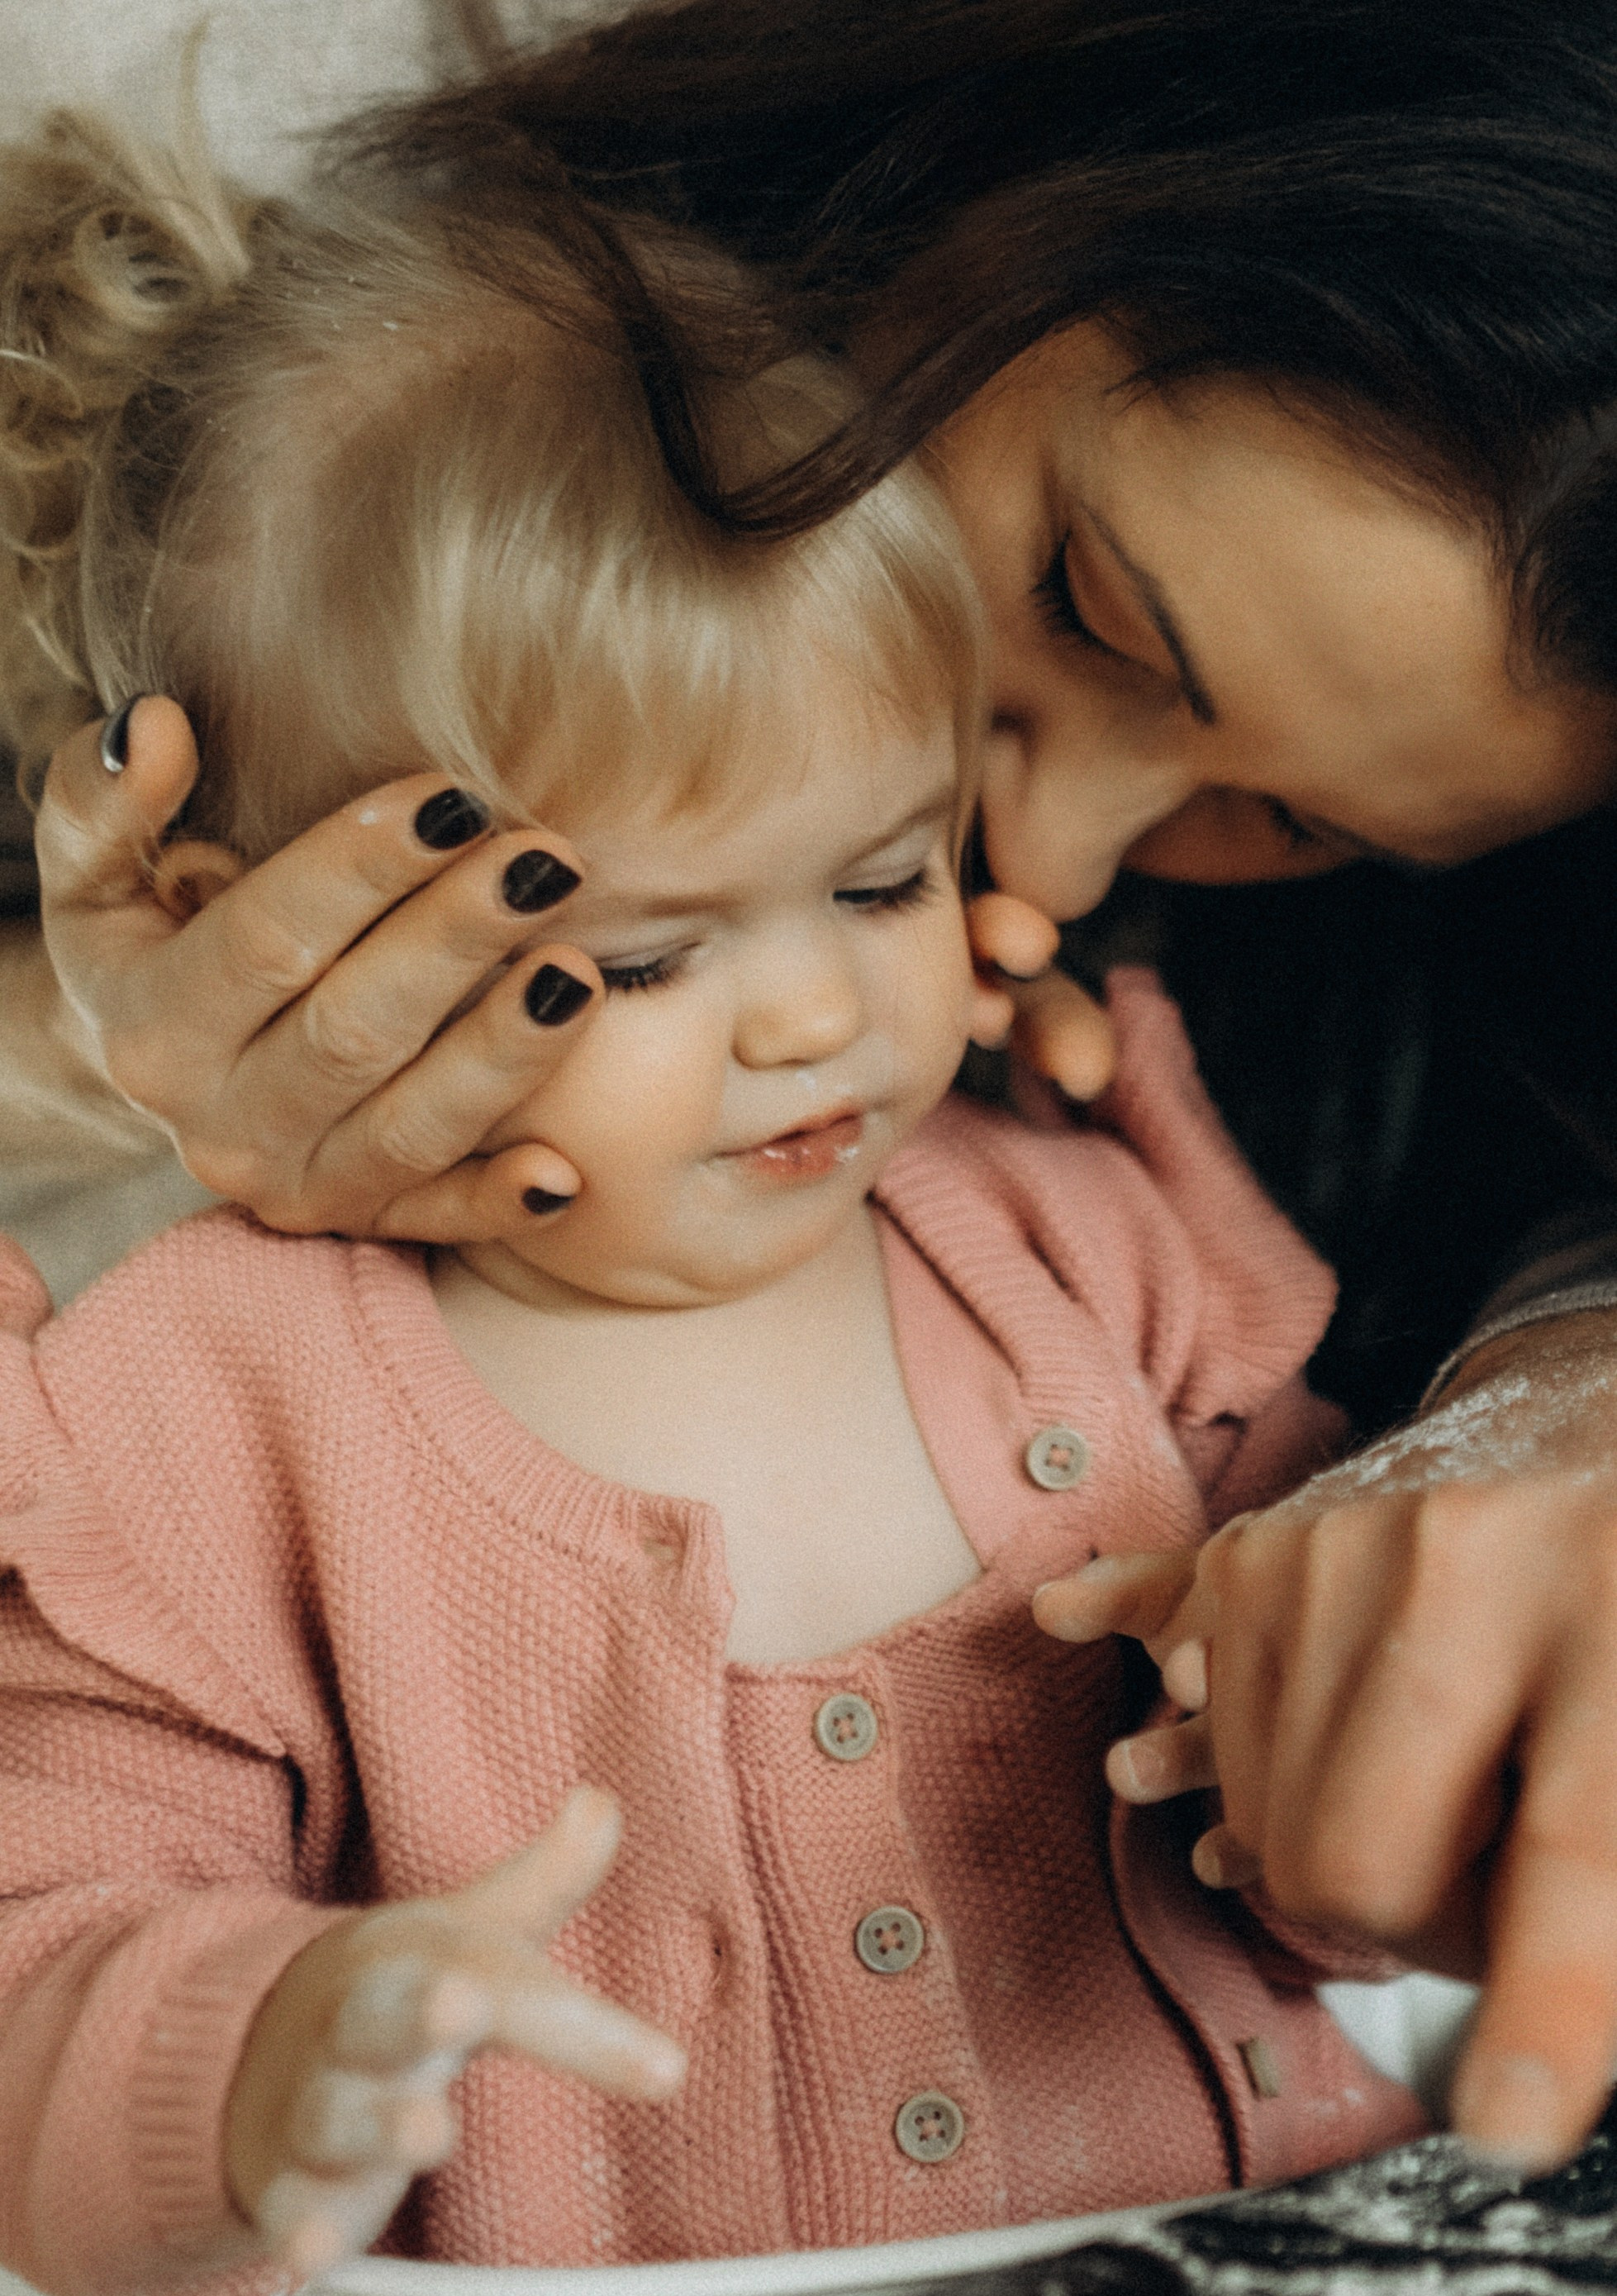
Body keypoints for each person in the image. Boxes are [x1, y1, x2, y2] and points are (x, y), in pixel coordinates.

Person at [25, 0, 1617, 2181]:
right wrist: (82, 1077)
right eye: (1081, 604)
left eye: (1309, 829)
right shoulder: (291, 450)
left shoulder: (1132, 1190)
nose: (1037, 880)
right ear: (1011, 166)